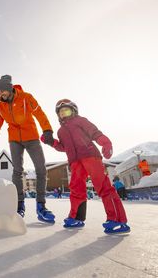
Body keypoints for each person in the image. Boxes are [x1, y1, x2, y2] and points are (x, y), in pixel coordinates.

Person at [43, 99, 130, 234]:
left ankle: (118, 220)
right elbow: (63, 147)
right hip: (75, 162)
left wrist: (106, 143)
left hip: (90, 156)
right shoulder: (60, 131)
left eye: (66, 110)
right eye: (61, 113)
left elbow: (94, 132)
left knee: (102, 186)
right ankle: (76, 218)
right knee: (76, 189)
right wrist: (51, 142)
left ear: (73, 111)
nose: (64, 114)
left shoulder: (80, 121)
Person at [0, 75, 55, 223]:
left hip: (31, 137)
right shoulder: (0, 107)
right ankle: (19, 206)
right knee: (17, 171)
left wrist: (47, 130)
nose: (0, 94)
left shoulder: (26, 97)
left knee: (41, 169)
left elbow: (39, 113)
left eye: (2, 91)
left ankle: (41, 206)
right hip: (14, 140)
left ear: (9, 88)